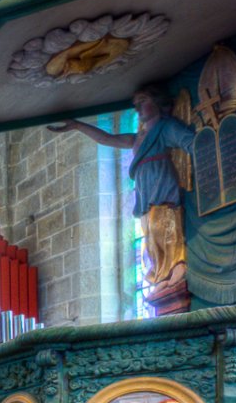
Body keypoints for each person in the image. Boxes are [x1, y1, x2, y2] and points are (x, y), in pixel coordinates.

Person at [52, 87, 195, 302]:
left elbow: (189, 141)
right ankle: (161, 273)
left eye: (143, 101)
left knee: (163, 223)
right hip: (144, 187)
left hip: (161, 180)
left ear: (157, 103)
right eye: (135, 104)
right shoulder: (137, 137)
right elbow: (107, 139)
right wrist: (78, 126)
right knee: (149, 230)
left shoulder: (165, 127)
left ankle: (177, 265)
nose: (138, 108)